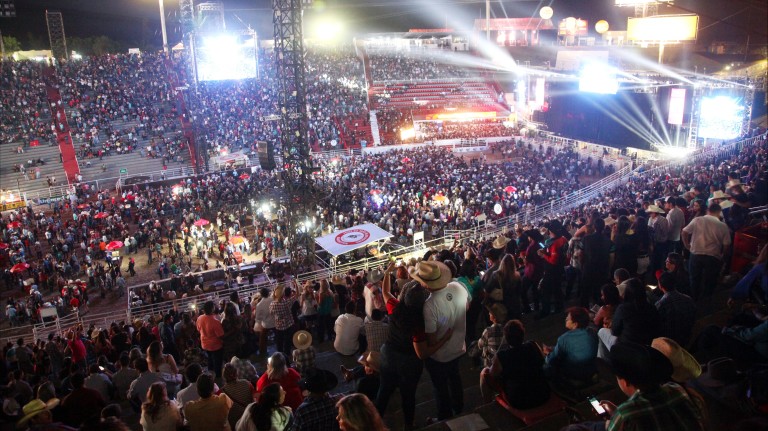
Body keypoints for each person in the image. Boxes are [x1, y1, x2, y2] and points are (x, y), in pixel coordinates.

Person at [375, 261, 451, 430]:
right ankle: (409, 424)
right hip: (408, 362)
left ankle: (373, 421)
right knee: (407, 394)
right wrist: (444, 338)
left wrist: (388, 273)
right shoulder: (421, 323)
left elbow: (386, 291)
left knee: (384, 389)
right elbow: (422, 353)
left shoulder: (395, 308)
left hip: (388, 354)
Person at [565, 342, 704, 431]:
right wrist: (617, 412)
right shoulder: (677, 389)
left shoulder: (626, 414)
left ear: (625, 382)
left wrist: (617, 415)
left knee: (573, 429)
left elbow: (632, 416)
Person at [415, 260, 468, 421]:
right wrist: (450, 319)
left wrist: (445, 335)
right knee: (455, 378)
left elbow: (431, 340)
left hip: (440, 356)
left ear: (425, 284)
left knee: (440, 387)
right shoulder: (457, 287)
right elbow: (467, 306)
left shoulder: (429, 305)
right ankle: (459, 408)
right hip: (458, 348)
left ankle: (445, 417)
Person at [480, 320, 550, 408]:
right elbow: (544, 362)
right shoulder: (532, 345)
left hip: (519, 401)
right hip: (543, 394)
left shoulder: (502, 356)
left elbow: (492, 375)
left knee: (484, 372)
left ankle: (487, 406)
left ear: (506, 338)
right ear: (523, 333)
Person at [682, 203, 731, 300]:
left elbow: (684, 232)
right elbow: (727, 245)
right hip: (713, 256)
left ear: (708, 211)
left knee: (694, 278)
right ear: (719, 212)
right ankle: (707, 299)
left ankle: (695, 298)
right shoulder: (723, 226)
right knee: (710, 280)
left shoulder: (698, 220)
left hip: (695, 254)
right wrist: (722, 255)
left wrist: (687, 245)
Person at [543, 307, 599, 388]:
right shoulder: (593, 332)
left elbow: (552, 360)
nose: (566, 319)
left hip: (574, 374)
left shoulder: (564, 338)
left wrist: (548, 354)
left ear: (575, 324)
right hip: (591, 370)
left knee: (546, 366)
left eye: (568, 318)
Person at [655, 272, 696, 346]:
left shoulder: (661, 304)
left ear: (660, 286)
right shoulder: (688, 299)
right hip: (687, 335)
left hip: (670, 340)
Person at [537, 220, 569, 317]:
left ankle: (545, 311)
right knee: (557, 289)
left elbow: (553, 260)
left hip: (552, 270)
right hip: (560, 269)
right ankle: (559, 307)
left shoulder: (554, 244)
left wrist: (543, 255)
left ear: (552, 231)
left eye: (549, 231)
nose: (548, 233)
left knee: (545, 290)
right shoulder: (563, 239)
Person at [580, 218, 613, 308]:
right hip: (602, 269)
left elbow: (581, 254)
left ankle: (584, 311)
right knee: (599, 292)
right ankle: (598, 312)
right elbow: (611, 256)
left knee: (585, 292)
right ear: (603, 227)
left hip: (588, 268)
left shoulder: (586, 238)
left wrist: (582, 266)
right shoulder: (608, 241)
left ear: (594, 227)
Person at [221, 363, 255, 430]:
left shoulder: (222, 393)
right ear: (236, 373)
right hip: (248, 421)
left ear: (224, 376)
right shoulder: (247, 384)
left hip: (234, 424)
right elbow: (254, 400)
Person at [196, 301, 225, 378]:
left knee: (210, 359)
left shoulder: (199, 318)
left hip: (205, 344)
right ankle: (218, 376)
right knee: (217, 362)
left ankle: (210, 374)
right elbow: (221, 335)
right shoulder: (215, 321)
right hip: (215, 346)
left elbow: (198, 329)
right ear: (212, 309)